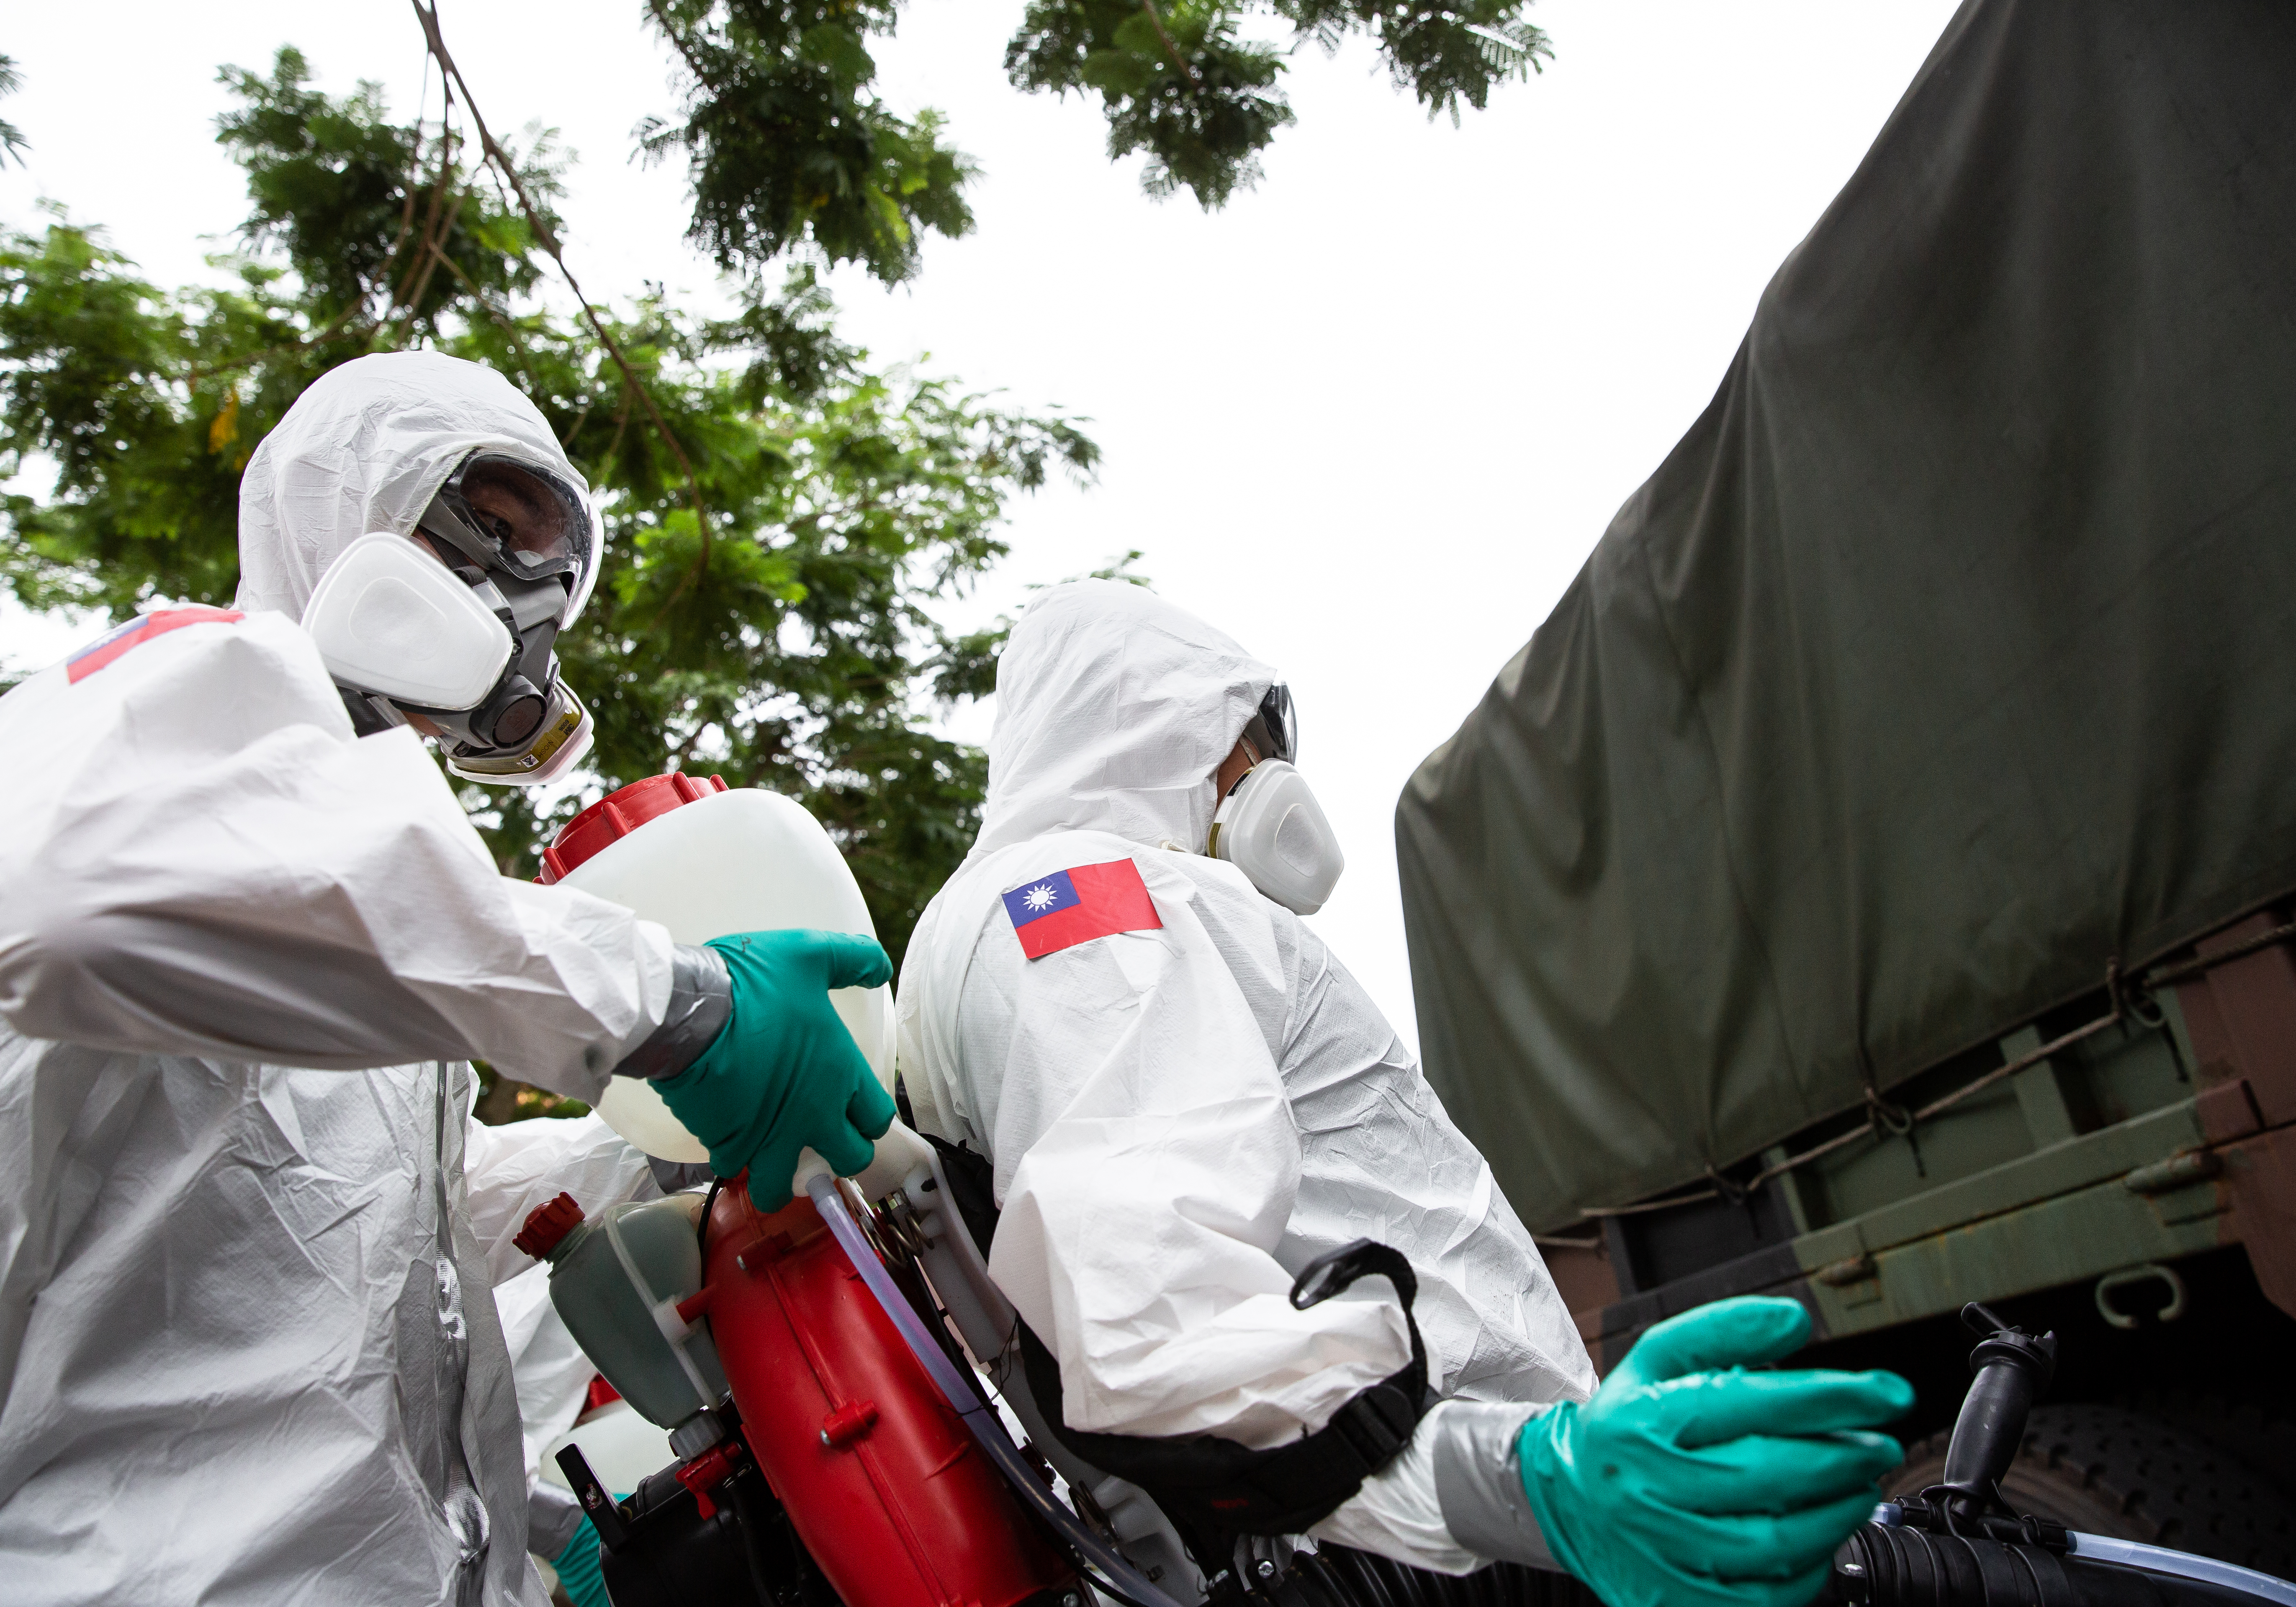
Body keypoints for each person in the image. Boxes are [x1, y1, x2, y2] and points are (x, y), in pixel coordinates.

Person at [0, 351, 891, 1604]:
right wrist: (679, 1007)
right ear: (345, 510)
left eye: (551, 565)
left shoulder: (366, 912)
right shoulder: (187, 679)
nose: (517, 588)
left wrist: (634, 1152)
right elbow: (64, 905)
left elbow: (367, 1219)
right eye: (490, 516)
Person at [896, 580, 1910, 1607]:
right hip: (1440, 1537)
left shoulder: (1054, 915)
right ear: (1174, 729)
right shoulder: (1088, 903)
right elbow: (1152, 1303)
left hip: (1437, 1518)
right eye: (1251, 749)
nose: (1270, 785)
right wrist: (1525, 1484)